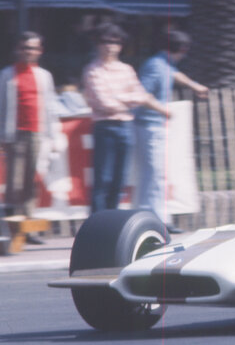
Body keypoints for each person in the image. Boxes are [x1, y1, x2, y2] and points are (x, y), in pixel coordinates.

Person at [81, 22, 169, 214]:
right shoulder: (92, 70)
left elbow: (140, 95)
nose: (110, 46)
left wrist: (122, 99)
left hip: (126, 127)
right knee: (103, 178)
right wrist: (129, 100)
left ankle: (111, 223)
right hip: (105, 127)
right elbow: (103, 102)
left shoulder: (126, 69)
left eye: (115, 42)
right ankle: (97, 223)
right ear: (97, 44)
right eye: (105, 41)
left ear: (120, 45)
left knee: (120, 179)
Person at [134, 29, 208, 231]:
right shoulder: (155, 67)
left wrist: (195, 86)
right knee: (154, 175)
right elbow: (142, 94)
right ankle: (156, 221)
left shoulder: (162, 64)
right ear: (181, 49)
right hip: (149, 126)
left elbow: (174, 74)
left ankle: (157, 218)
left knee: (158, 175)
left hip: (155, 125)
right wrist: (163, 111)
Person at [0, 31, 60, 241]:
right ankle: (13, 230)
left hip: (37, 134)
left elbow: (50, 108)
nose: (27, 52)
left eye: (32, 48)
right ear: (17, 50)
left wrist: (54, 136)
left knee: (32, 183)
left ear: (39, 51)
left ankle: (29, 228)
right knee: (14, 183)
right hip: (14, 135)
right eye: (24, 47)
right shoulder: (7, 75)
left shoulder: (44, 76)